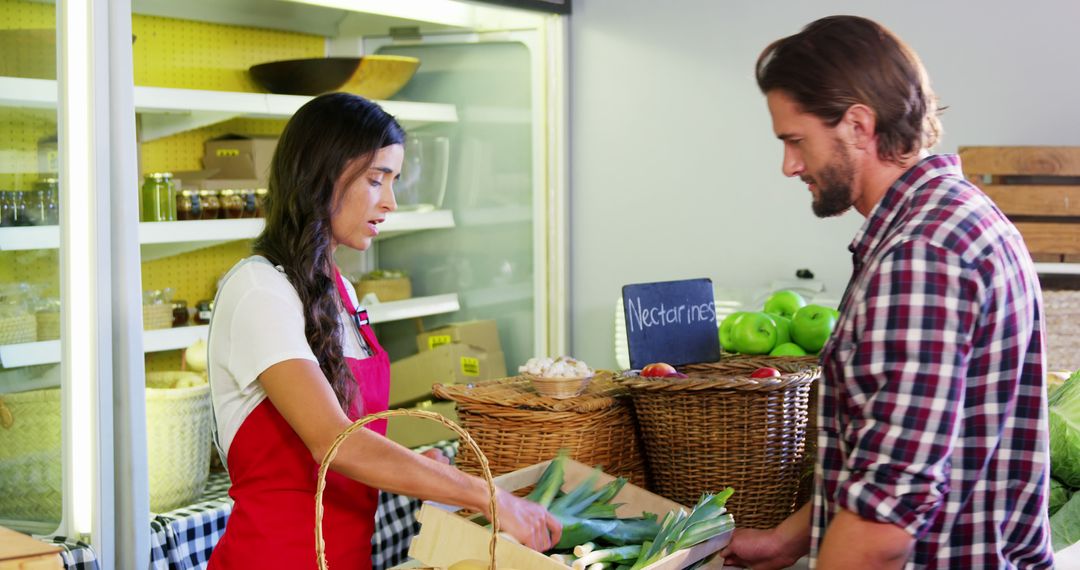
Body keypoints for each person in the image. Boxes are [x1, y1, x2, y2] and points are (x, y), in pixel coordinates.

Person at [722, 15, 1053, 569]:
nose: (789, 165)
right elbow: (890, 450)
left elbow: (885, 521)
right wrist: (787, 540)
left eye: (796, 140)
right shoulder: (954, 216)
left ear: (857, 124)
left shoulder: (922, 255)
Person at [205, 92, 561, 569]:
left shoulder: (343, 293)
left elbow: (352, 439)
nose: (390, 202)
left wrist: (417, 468)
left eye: (393, 181)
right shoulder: (259, 290)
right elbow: (335, 442)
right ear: (322, 175)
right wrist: (490, 498)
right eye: (376, 180)